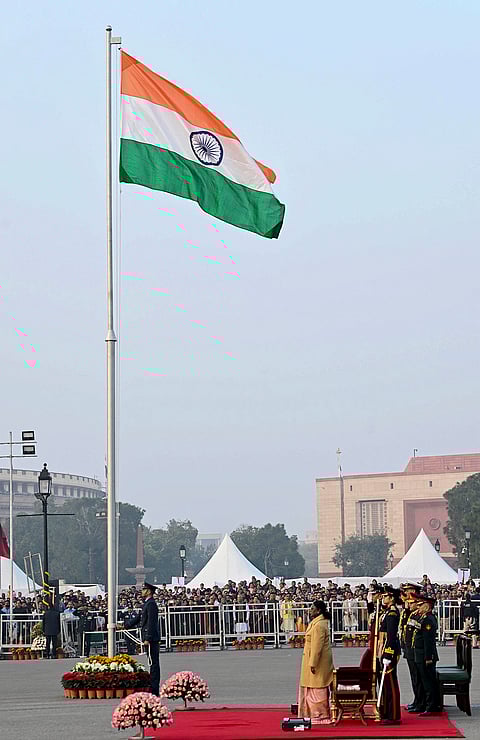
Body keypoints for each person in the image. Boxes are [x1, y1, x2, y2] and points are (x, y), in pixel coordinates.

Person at [298, 600, 334, 725]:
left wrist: (313, 663)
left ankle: (319, 715)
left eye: (312, 608)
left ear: (318, 610)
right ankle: (314, 714)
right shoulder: (318, 623)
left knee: (317, 688)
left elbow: (317, 647)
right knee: (314, 686)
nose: (310, 610)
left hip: (317, 662)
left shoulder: (319, 625)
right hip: (315, 659)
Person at [123, 582, 161, 695]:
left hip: (151, 638)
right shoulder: (147, 604)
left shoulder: (151, 604)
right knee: (151, 663)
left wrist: (148, 638)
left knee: (154, 663)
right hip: (149, 637)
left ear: (149, 591)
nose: (142, 591)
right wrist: (126, 625)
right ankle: (153, 686)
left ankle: (154, 689)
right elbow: (139, 618)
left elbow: (151, 622)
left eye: (144, 589)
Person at [413, 593, 441, 716]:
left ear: (427, 606)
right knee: (425, 680)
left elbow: (428, 640)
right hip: (419, 653)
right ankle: (428, 704)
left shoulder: (428, 619)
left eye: (421, 605)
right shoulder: (423, 617)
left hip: (425, 654)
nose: (418, 607)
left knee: (428, 681)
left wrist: (428, 657)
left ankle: (432, 706)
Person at [377, 586, 401, 725]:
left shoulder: (392, 613)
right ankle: (386, 711)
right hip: (384, 649)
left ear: (391, 598)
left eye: (386, 596)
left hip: (389, 650)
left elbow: (391, 637)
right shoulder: (387, 612)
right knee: (385, 683)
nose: (383, 598)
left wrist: (388, 653)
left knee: (390, 684)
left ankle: (393, 715)